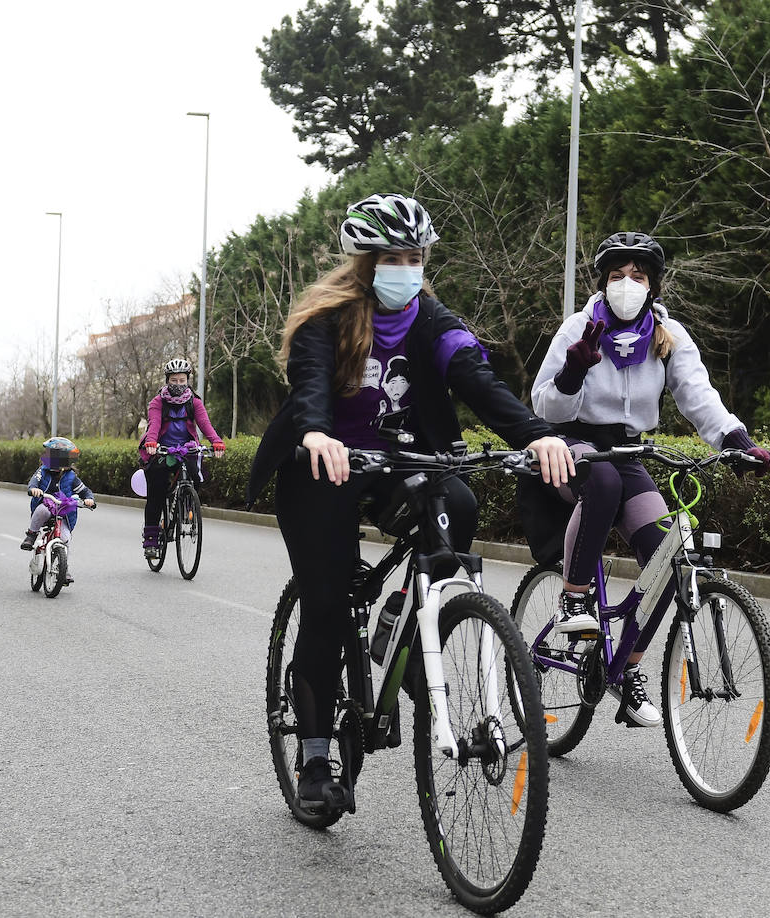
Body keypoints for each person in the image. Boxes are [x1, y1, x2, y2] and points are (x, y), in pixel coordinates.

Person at [245, 192, 575, 812]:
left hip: (402, 462)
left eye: (416, 255)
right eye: (393, 255)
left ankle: (407, 611)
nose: (407, 266)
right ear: (366, 262)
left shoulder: (431, 319)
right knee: (327, 602)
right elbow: (310, 382)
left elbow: (478, 380)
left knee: (459, 501)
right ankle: (316, 757)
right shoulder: (328, 318)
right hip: (324, 466)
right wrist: (317, 431)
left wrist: (538, 436)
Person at [530, 231, 770, 728]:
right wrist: (573, 372)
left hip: (627, 448)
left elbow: (698, 397)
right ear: (603, 281)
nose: (626, 284)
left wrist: (737, 441)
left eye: (637, 277)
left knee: (669, 557)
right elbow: (542, 404)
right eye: (617, 275)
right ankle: (574, 596)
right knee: (604, 485)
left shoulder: (669, 336)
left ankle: (629, 671)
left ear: (653, 286)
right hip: (569, 444)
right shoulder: (578, 326)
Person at [138, 358, 224, 558]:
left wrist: (217, 442)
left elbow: (205, 425)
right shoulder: (158, 402)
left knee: (197, 475)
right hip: (161, 449)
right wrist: (151, 443)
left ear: (188, 380)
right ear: (167, 380)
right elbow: (154, 425)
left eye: (182, 380)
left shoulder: (194, 402)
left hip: (187, 449)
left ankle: (187, 505)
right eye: (174, 380)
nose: (178, 384)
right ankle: (151, 539)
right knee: (156, 491)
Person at [19, 438, 97, 573]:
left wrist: (89, 499)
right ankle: (31, 535)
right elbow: (34, 482)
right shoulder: (42, 471)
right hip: (47, 504)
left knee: (65, 538)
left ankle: (63, 569)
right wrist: (34, 489)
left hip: (64, 511)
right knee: (42, 511)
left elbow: (84, 490)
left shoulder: (71, 477)